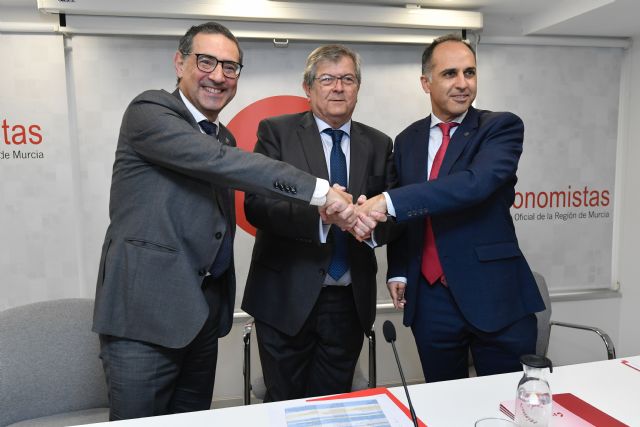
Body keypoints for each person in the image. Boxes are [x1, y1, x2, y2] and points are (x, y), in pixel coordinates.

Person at [92, 22, 354, 420]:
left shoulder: (224, 137)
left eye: (230, 67)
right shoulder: (150, 111)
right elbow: (219, 163)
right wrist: (321, 191)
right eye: (206, 61)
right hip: (143, 321)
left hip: (200, 319)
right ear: (179, 63)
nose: (218, 75)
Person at [356, 34, 545, 382]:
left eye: (469, 73)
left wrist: (387, 202)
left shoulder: (500, 127)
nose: (462, 83)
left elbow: (473, 185)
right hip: (430, 301)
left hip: (494, 296)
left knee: (506, 402)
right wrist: (398, 268)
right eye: (450, 74)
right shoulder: (407, 140)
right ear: (426, 82)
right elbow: (406, 215)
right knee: (441, 401)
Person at [241, 44, 397, 401]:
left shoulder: (379, 143)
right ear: (307, 87)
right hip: (284, 298)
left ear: (358, 87)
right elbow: (257, 206)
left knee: (334, 407)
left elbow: (393, 216)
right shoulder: (277, 133)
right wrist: (321, 217)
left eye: (347, 79)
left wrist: (372, 224)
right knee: (285, 407)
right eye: (327, 79)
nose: (338, 88)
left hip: (348, 302)